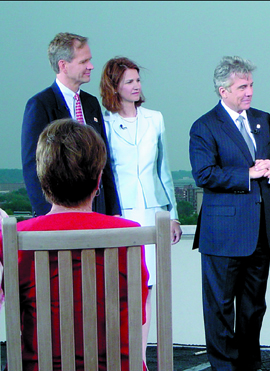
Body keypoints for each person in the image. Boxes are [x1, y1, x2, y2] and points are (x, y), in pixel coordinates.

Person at [1, 119, 149, 370]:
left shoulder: (16, 238)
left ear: (42, 177)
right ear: (99, 179)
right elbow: (140, 314)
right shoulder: (129, 235)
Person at [189, 56, 270, 371]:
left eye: (251, 85)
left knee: (253, 307)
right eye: (242, 86)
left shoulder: (264, 120)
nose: (249, 92)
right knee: (219, 308)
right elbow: (204, 175)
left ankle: (249, 364)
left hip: (259, 232)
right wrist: (249, 173)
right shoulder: (204, 126)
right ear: (223, 91)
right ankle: (223, 367)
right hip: (223, 235)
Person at [99, 56, 182, 364]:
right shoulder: (102, 121)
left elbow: (164, 170)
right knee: (121, 285)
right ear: (114, 87)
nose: (136, 86)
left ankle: (141, 358)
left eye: (138, 80)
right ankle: (119, 355)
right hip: (118, 215)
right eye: (129, 81)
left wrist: (172, 214)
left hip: (151, 213)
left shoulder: (155, 119)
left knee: (147, 286)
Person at [21, 32, 120, 217]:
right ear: (63, 65)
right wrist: (47, 216)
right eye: (84, 62)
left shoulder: (91, 104)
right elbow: (32, 166)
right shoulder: (40, 105)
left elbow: (104, 163)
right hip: (56, 217)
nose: (91, 66)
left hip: (96, 214)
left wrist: (113, 212)